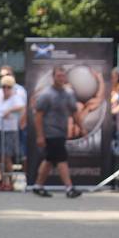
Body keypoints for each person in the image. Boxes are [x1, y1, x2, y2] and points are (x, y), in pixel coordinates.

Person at [33, 66, 85, 198]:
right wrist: (40, 135)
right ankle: (69, 188)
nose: (61, 78)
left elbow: (74, 112)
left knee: (49, 160)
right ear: (53, 77)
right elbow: (38, 116)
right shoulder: (46, 94)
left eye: (63, 76)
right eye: (58, 76)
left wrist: (81, 127)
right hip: (50, 132)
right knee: (61, 159)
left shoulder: (68, 93)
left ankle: (38, 186)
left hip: (62, 132)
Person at [0, 75, 25, 191]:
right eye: (4, 87)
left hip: (9, 130)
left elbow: (22, 108)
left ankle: (10, 180)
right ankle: (3, 180)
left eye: (8, 87)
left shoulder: (16, 97)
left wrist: (10, 110)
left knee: (6, 156)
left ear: (12, 87)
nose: (5, 89)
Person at [0, 65, 28, 161]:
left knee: (22, 155)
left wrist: (22, 123)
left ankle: (26, 176)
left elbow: (25, 107)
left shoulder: (20, 90)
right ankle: (4, 176)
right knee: (1, 155)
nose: (4, 77)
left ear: (13, 75)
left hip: (18, 127)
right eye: (2, 76)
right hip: (1, 128)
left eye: (7, 74)